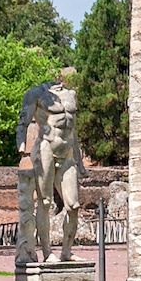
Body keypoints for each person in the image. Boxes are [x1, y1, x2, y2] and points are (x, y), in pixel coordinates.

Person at [17, 70, 84, 263]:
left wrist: (79, 161)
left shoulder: (71, 95)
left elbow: (73, 131)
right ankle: (47, 252)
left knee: (73, 206)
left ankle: (66, 251)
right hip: (46, 148)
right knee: (45, 202)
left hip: (67, 153)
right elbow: (23, 122)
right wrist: (21, 145)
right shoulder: (36, 94)